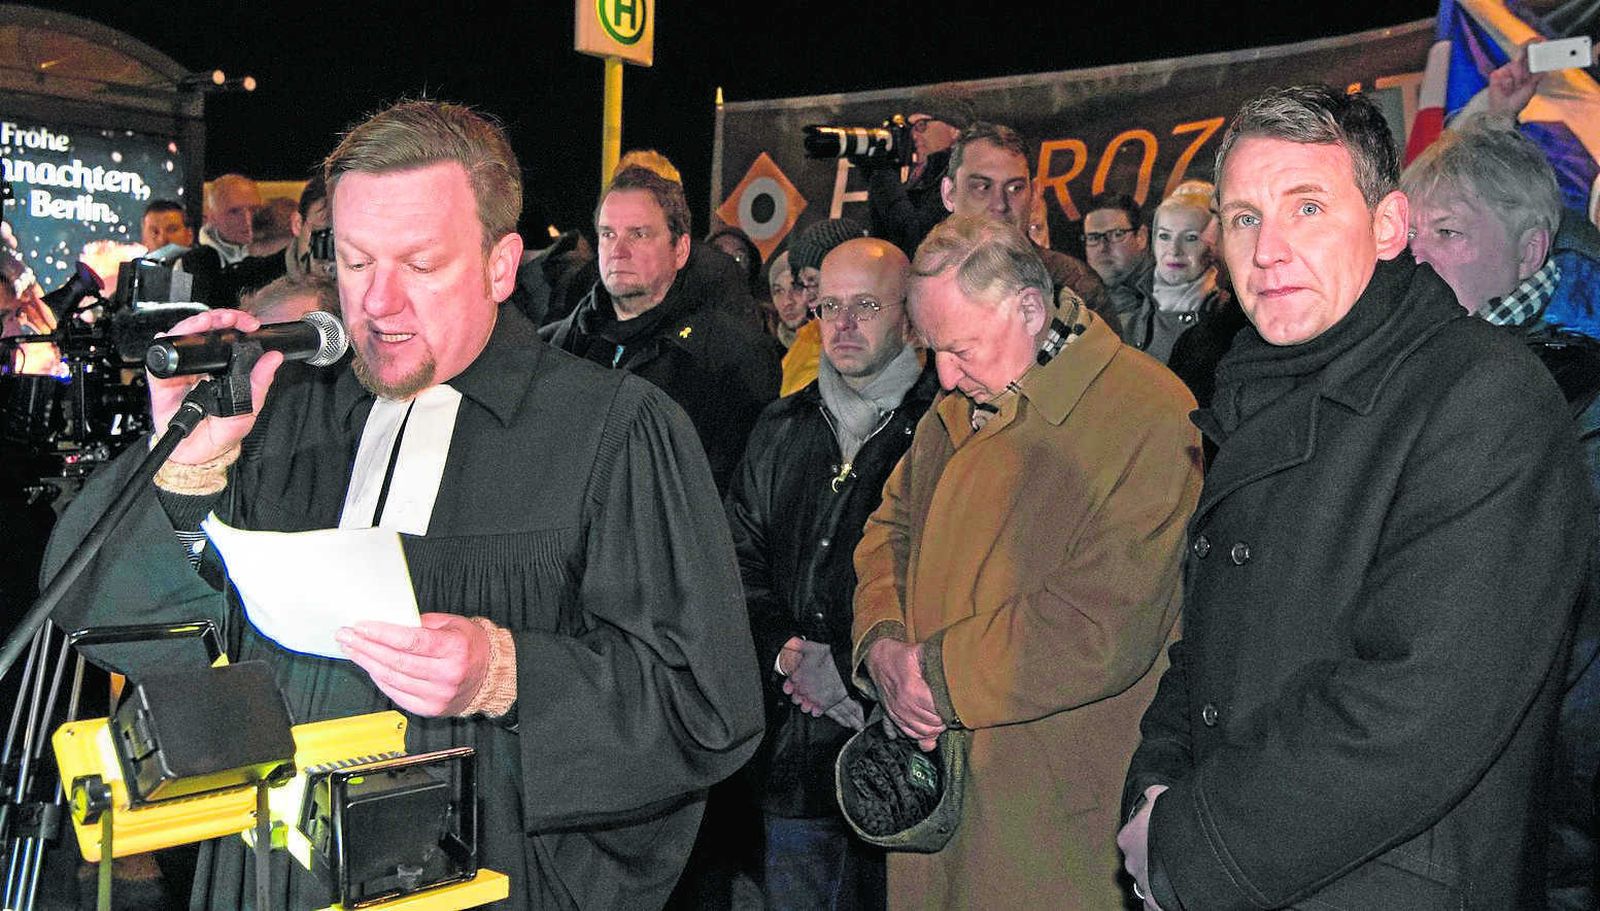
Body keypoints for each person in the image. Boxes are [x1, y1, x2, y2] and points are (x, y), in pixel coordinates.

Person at [44, 98, 765, 911]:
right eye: (356, 262)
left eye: (420, 265)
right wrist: (186, 465)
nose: (378, 303)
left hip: (484, 881)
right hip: (275, 880)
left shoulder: (613, 431)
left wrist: (506, 673)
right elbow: (105, 615)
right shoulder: (285, 412)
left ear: (500, 265)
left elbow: (705, 705)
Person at [1118, 84, 1591, 911]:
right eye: (1244, 217)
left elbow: (1422, 705)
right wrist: (1153, 791)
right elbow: (1206, 652)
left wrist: (1189, 845)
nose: (1269, 250)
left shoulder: (1482, 395)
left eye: (1307, 208)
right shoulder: (1257, 389)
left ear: (1388, 226)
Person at [851, 214, 1201, 908]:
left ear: (1031, 311)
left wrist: (934, 676)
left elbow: (1101, 625)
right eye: (932, 349)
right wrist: (883, 645)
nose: (944, 375)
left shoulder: (1149, 414)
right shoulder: (960, 405)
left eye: (961, 348)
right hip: (943, 803)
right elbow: (888, 529)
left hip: (1050, 823)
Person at [1402, 111, 1600, 911]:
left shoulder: (1578, 394)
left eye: (1447, 232)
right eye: (1411, 235)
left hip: (1552, 798)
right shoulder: (1416, 378)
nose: (1418, 256)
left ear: (1530, 251)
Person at [728, 237, 935, 911]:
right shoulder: (779, 426)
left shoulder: (943, 431)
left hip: (899, 758)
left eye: (865, 306)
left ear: (910, 317)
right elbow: (737, 559)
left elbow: (943, 582)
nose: (842, 324)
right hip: (788, 759)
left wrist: (848, 666)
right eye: (828, 306)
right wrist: (787, 652)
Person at [543, 165, 780, 493]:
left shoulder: (734, 358)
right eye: (608, 234)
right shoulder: (555, 348)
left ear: (680, 250)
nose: (618, 251)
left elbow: (737, 494)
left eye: (638, 234)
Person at [938, 122, 1113, 328]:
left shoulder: (1073, 287)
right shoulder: (926, 285)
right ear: (949, 194)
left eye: (1015, 188)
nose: (1000, 204)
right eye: (983, 187)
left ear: (1035, 193)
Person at [1138, 185, 1247, 407]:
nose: (1174, 250)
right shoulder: (1126, 312)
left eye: (1190, 237)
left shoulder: (1229, 321)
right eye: (1164, 236)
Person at [865, 85, 975, 257]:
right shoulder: (925, 175)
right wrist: (872, 173)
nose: (913, 135)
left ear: (955, 130)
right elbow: (884, 241)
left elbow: (917, 240)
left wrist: (883, 175)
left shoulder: (965, 175)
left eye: (921, 125)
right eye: (910, 128)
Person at [781, 218, 869, 397]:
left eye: (813, 282)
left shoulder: (868, 343)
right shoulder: (808, 336)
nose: (806, 297)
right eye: (801, 284)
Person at [1082, 191, 1153, 317]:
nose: (1103, 247)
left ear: (1141, 237)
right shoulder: (1078, 302)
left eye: (1116, 235)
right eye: (1093, 238)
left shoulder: (1173, 295)